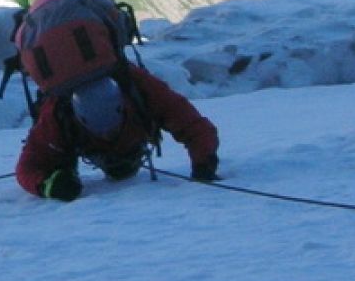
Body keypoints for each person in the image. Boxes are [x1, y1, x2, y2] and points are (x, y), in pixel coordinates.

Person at [15, 66, 220, 202]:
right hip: (115, 136)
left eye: (111, 129)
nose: (106, 135)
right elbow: (28, 168)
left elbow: (195, 127)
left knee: (121, 171)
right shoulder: (57, 114)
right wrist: (49, 184)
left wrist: (203, 160)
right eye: (100, 132)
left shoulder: (141, 88)